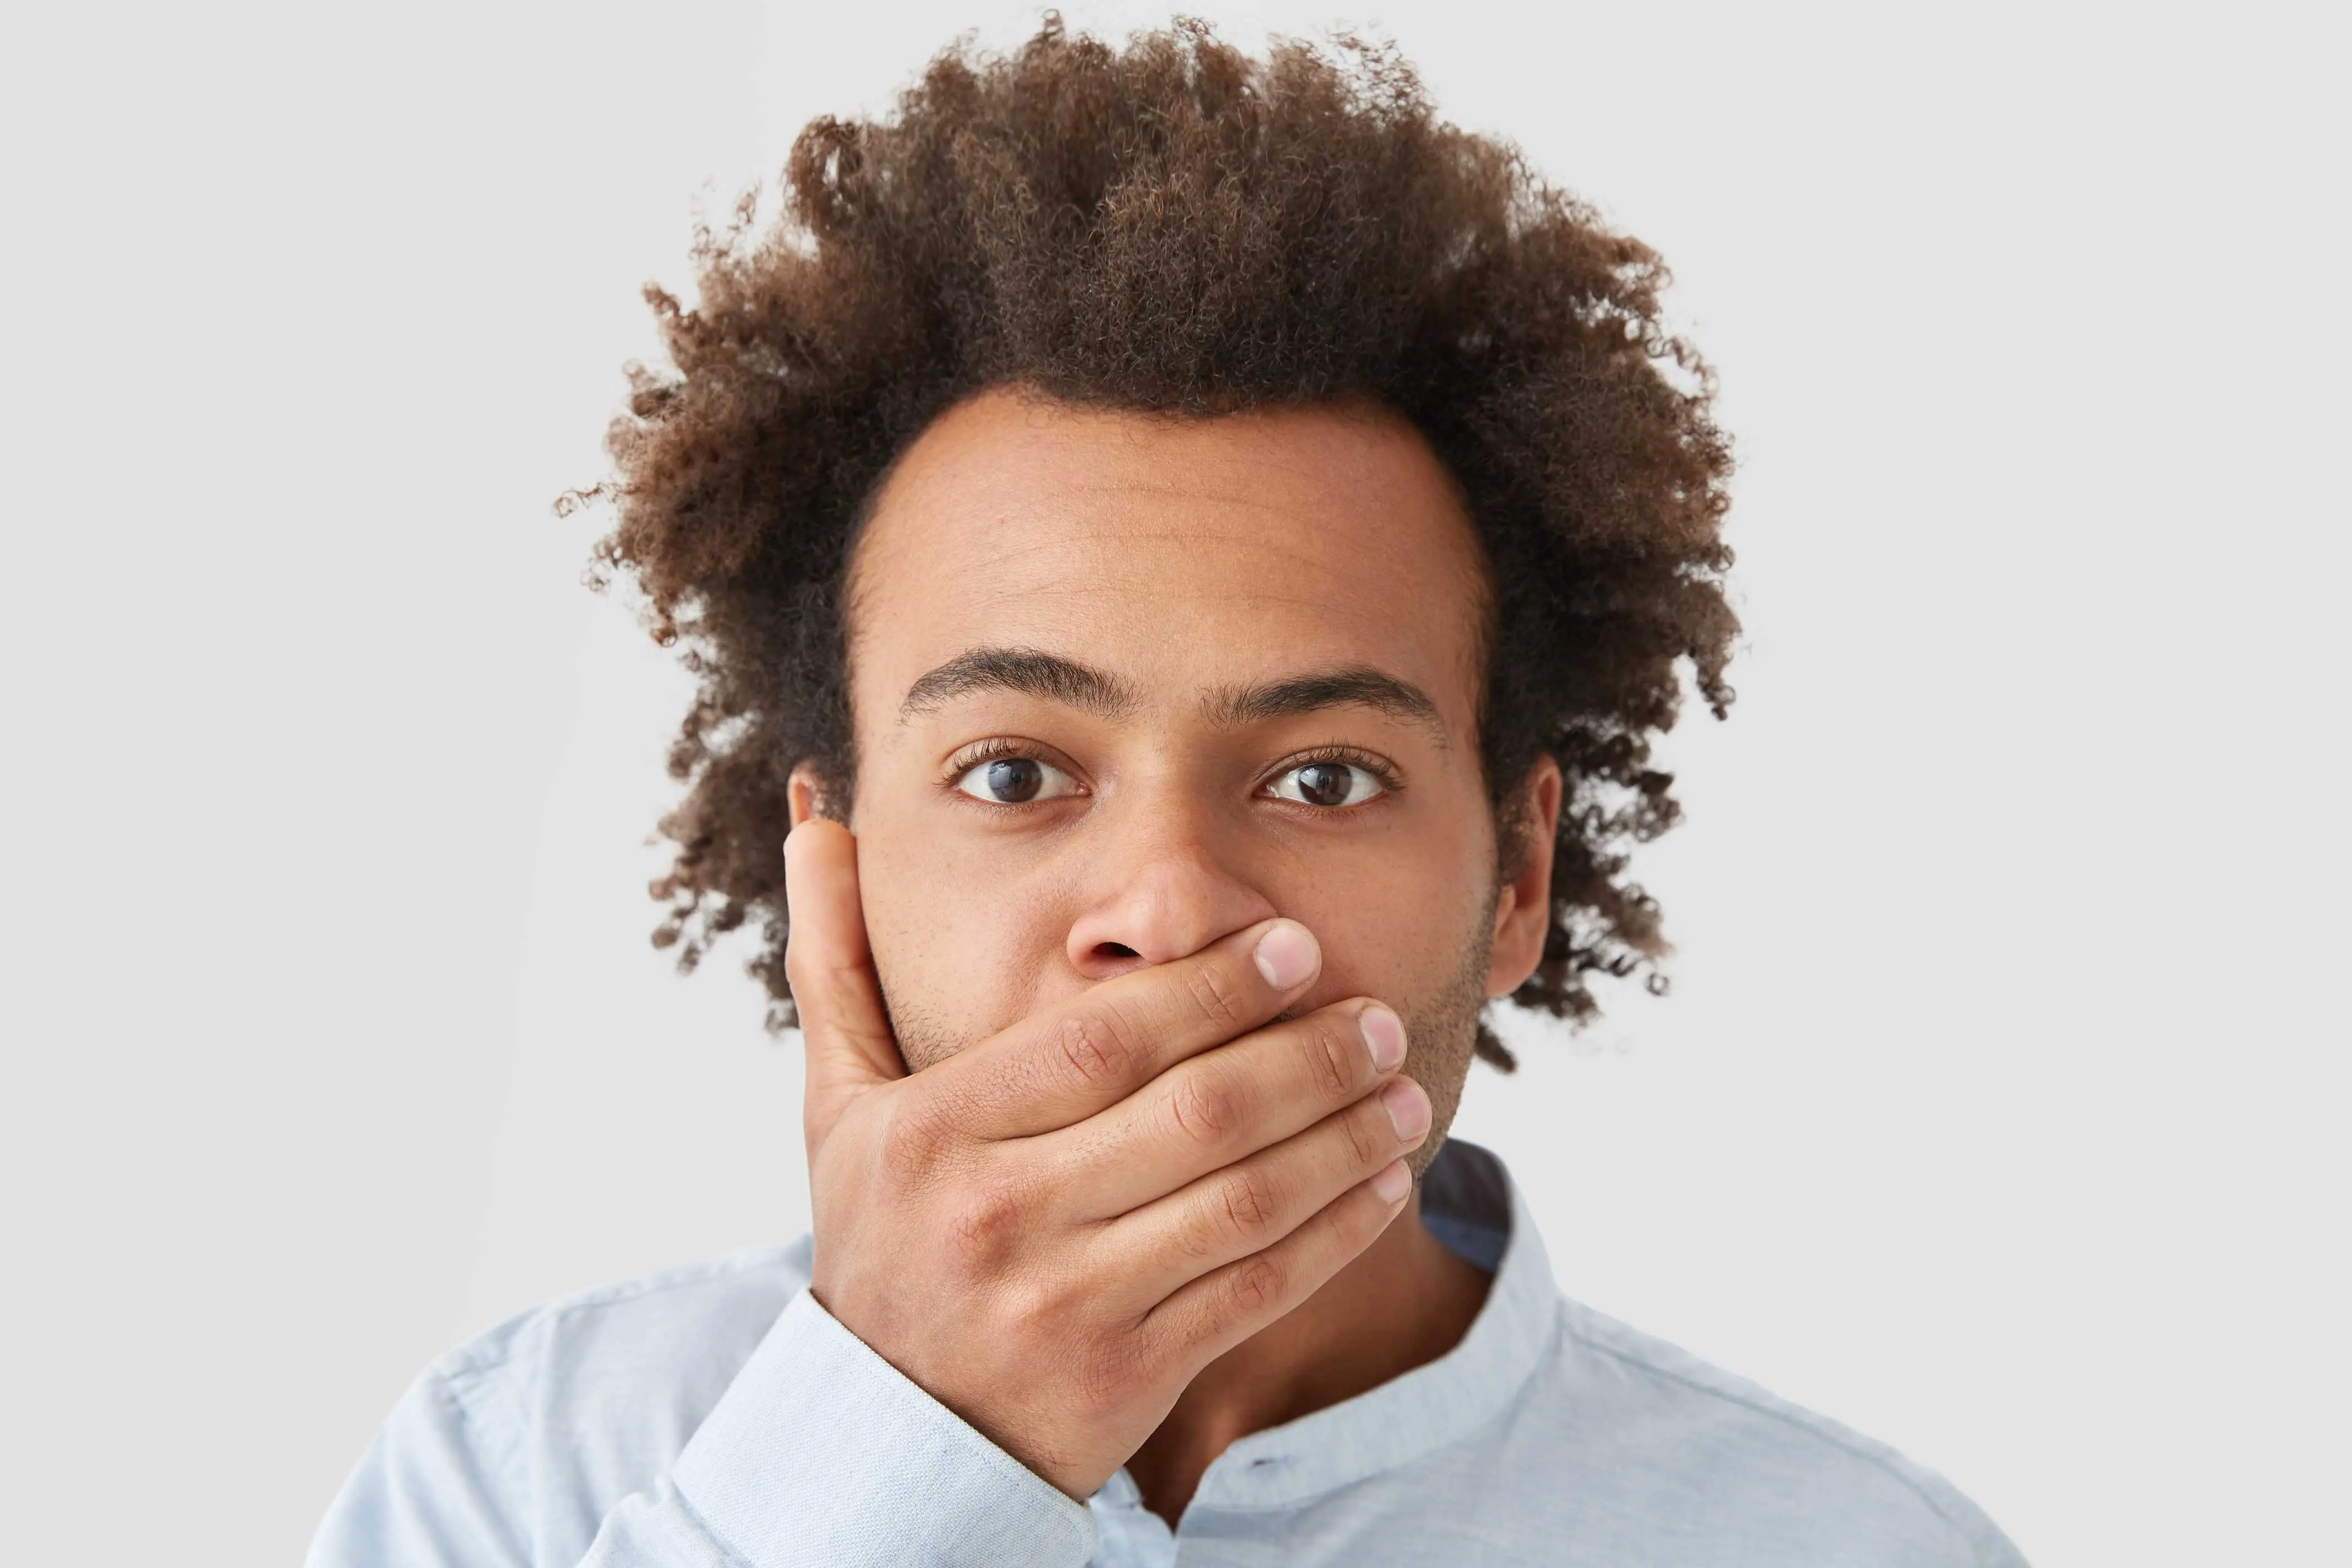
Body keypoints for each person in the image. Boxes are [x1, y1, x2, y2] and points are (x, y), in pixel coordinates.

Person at [312, 19, 2025, 1566]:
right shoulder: (515, 1471)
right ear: (826, 873)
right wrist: (888, 1453)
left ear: (1517, 877)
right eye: (1013, 771)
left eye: (1325, 775)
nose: (1169, 904)